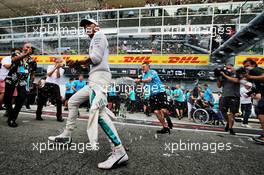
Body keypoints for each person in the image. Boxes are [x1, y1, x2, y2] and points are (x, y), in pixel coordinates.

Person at [48, 19, 128, 169]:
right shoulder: (97, 39)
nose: (86, 28)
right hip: (94, 79)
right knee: (72, 102)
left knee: (98, 112)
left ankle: (119, 151)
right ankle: (66, 135)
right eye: (84, 27)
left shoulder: (98, 35)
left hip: (99, 79)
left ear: (96, 26)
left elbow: (95, 58)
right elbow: (92, 62)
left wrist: (78, 62)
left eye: (88, 25)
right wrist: (78, 63)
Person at [135, 62, 171, 133]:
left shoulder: (153, 72)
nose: (142, 68)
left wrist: (140, 80)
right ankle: (165, 127)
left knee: (163, 110)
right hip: (152, 95)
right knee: (156, 112)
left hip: (160, 93)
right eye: (142, 67)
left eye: (144, 67)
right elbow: (144, 84)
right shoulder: (143, 74)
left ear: (148, 67)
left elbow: (149, 80)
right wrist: (141, 88)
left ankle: (168, 119)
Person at [4, 43, 35, 127]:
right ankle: (11, 117)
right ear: (23, 48)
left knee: (21, 98)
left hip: (22, 81)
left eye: (30, 48)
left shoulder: (32, 60)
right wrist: (25, 54)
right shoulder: (17, 53)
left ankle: (12, 118)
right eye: (27, 47)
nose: (28, 48)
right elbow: (14, 60)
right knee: (7, 99)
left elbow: (32, 73)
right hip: (12, 79)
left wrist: (31, 82)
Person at [36, 57, 64, 122]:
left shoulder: (62, 69)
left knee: (59, 101)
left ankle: (59, 117)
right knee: (42, 100)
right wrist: (55, 68)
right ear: (55, 62)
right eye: (57, 62)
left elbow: (58, 76)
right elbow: (49, 74)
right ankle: (38, 115)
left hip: (55, 85)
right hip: (48, 84)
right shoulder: (50, 66)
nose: (58, 63)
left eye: (59, 62)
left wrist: (58, 69)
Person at [218, 64, 242, 135]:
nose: (228, 69)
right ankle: (228, 122)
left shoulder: (237, 73)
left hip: (234, 96)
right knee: (222, 111)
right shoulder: (224, 75)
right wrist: (219, 78)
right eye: (226, 68)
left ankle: (230, 128)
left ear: (233, 68)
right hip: (225, 95)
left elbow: (236, 80)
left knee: (232, 113)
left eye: (229, 68)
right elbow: (219, 86)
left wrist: (225, 75)